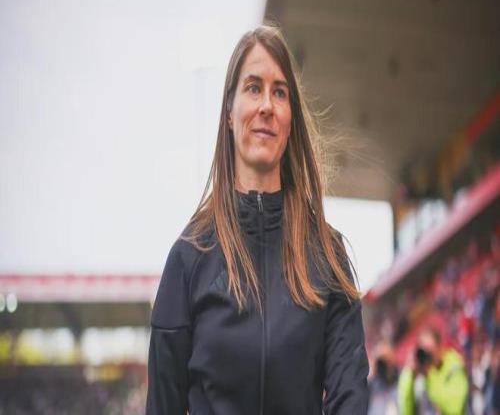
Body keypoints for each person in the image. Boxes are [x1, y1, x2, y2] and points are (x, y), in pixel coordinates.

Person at [146, 24, 369, 415]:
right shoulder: (188, 257)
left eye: (279, 92)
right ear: (229, 113)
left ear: (290, 119)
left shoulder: (327, 255)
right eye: (253, 88)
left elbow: (349, 397)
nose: (267, 105)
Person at [398, 326, 469, 414]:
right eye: (424, 352)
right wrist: (409, 374)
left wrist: (430, 378)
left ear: (439, 347)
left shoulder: (454, 367)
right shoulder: (421, 378)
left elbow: (455, 407)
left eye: (430, 350)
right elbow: (405, 411)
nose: (427, 356)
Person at [368, 340, 399, 415]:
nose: (385, 366)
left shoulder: (401, 384)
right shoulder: (371, 386)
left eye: (388, 361)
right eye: (381, 362)